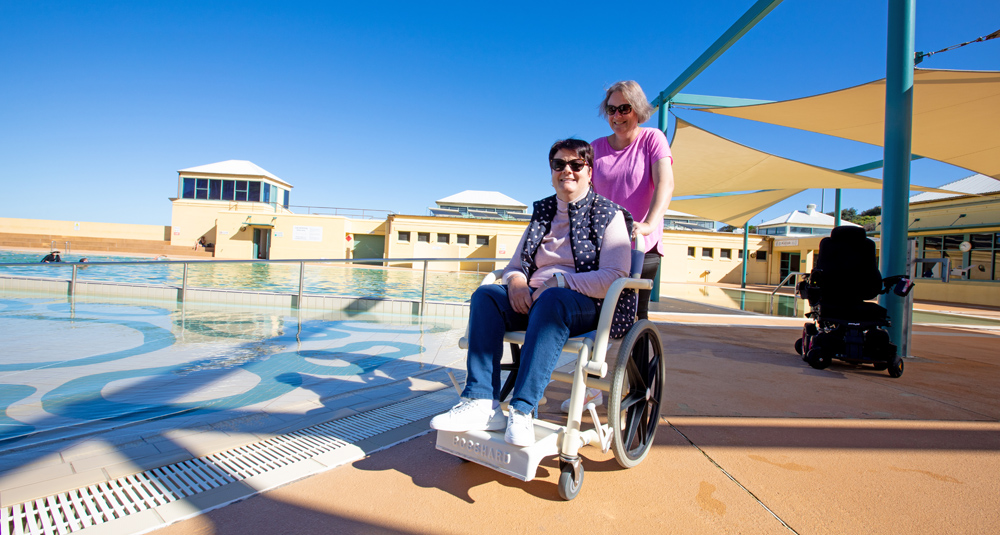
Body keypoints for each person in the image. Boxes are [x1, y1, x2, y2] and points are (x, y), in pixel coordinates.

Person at [430, 139, 636, 447]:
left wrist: (560, 283)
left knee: (553, 300)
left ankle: (522, 410)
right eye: (559, 164)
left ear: (589, 172)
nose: (567, 170)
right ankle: (482, 403)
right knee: (486, 296)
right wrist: (515, 282)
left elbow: (615, 275)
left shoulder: (609, 215)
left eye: (576, 165)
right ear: (551, 171)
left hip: (582, 304)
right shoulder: (542, 213)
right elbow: (515, 265)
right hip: (535, 298)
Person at [592, 80, 675, 321]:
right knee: (600, 316)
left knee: (636, 318)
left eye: (624, 108)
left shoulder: (652, 139)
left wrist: (648, 224)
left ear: (637, 109)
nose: (617, 115)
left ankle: (637, 360)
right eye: (611, 109)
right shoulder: (595, 148)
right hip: (603, 249)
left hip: (641, 244)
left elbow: (665, 184)